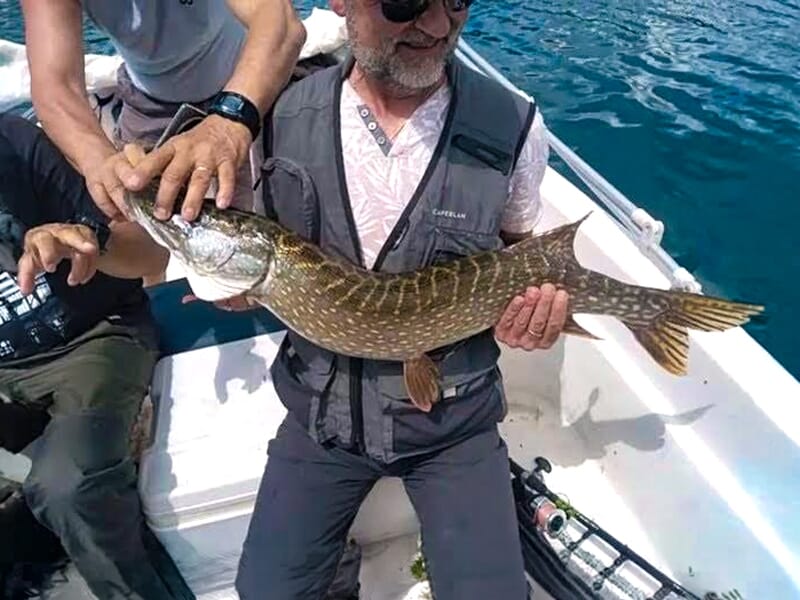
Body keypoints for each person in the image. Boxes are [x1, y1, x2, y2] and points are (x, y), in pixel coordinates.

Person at [232, 0, 569, 598]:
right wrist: (227, 291)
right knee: (266, 591)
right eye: (405, 3)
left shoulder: (514, 125)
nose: (439, 26)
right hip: (320, 421)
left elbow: (523, 256)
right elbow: (245, 257)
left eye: (458, 1)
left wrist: (537, 317)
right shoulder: (276, 114)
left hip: (453, 425)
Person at [0, 112, 191, 600]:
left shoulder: (16, 144)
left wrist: (87, 243)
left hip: (95, 338)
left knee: (68, 486)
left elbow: (151, 254)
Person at [21, 0, 306, 228]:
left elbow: (277, 21)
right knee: (138, 230)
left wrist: (229, 121)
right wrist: (98, 160)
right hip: (148, 104)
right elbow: (56, 86)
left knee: (299, 210)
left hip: (247, 81)